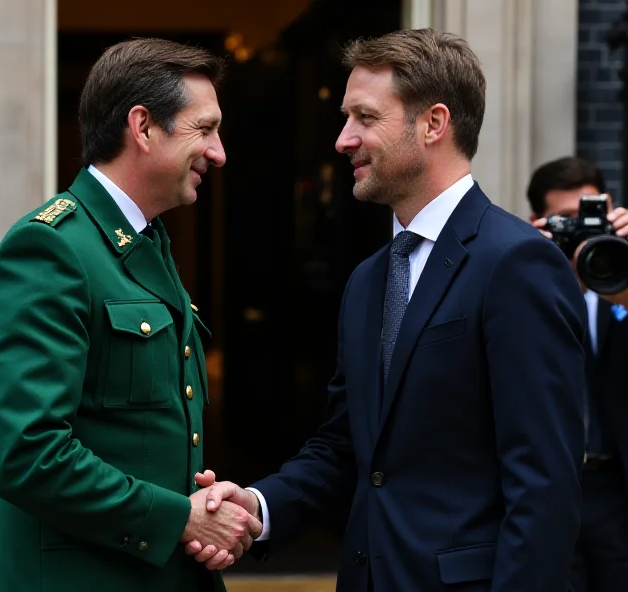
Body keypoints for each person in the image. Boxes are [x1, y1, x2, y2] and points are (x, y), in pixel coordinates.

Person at [188, 28, 587, 592]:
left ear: (433, 124)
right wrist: (257, 506)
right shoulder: (367, 278)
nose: (343, 139)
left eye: (364, 118)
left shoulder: (517, 264)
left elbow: (545, 487)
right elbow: (346, 447)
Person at [0, 38, 260, 592]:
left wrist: (198, 502)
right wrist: (182, 516)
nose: (219, 152)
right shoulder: (52, 247)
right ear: (144, 127)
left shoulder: (143, 241)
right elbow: (27, 455)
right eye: (204, 129)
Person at [527, 156, 628, 592]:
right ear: (540, 222)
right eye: (567, 222)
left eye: (590, 216)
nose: (583, 233)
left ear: (608, 207)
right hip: (550, 491)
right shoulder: (526, 280)